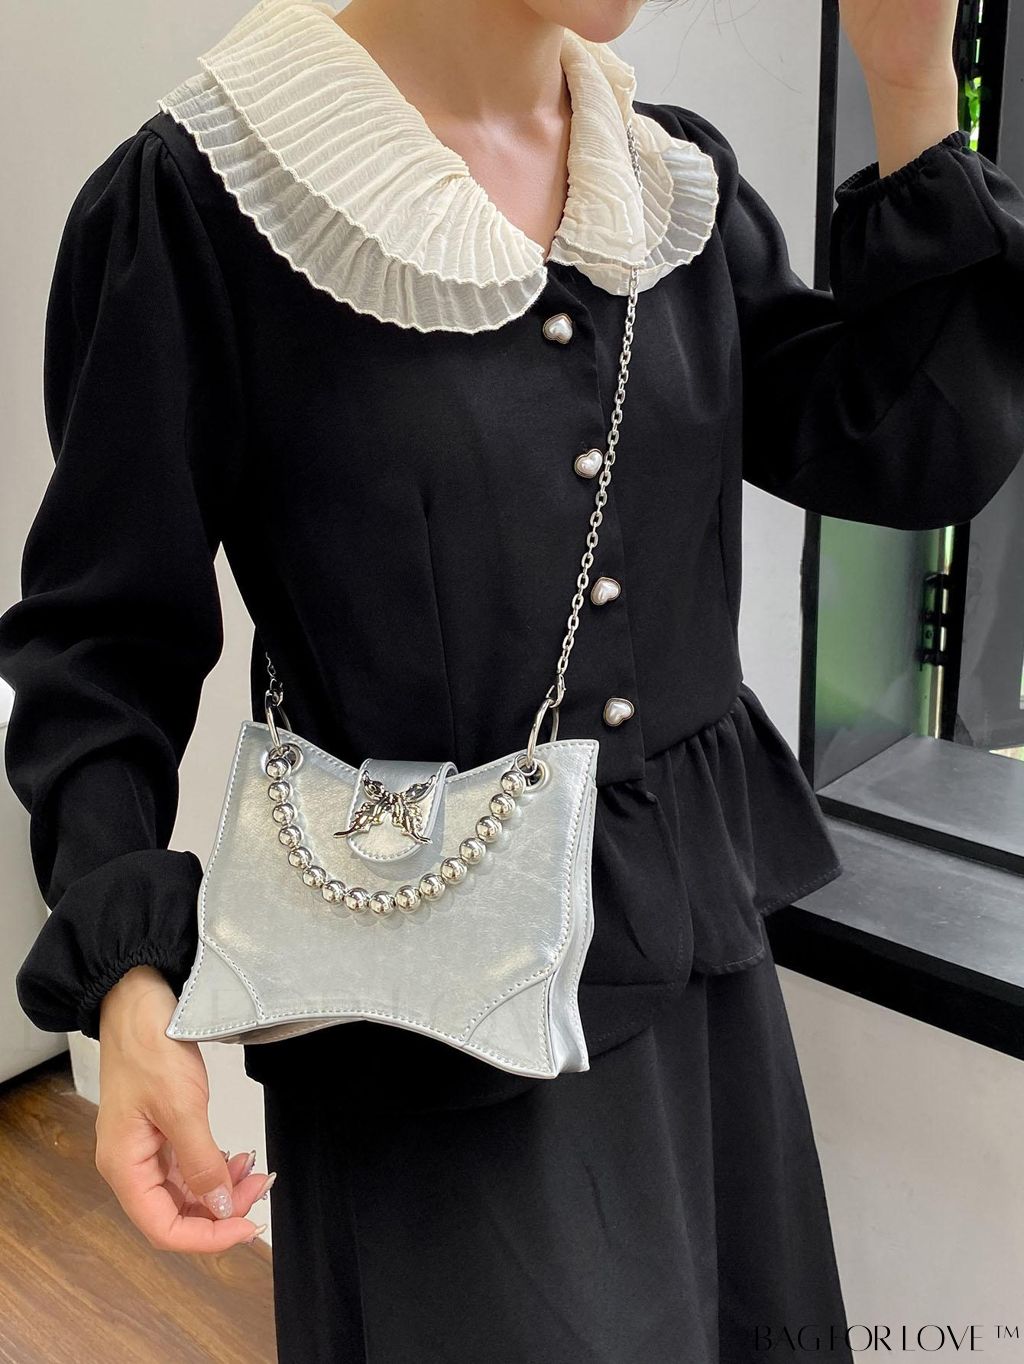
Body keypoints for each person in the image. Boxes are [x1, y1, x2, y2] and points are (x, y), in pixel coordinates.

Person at [1, 0, 1022, 1359]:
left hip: (701, 989)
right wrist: (130, 984)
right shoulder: (206, 201)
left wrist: (908, 74)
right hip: (427, 1032)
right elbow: (99, 645)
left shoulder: (663, 183)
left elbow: (902, 446)